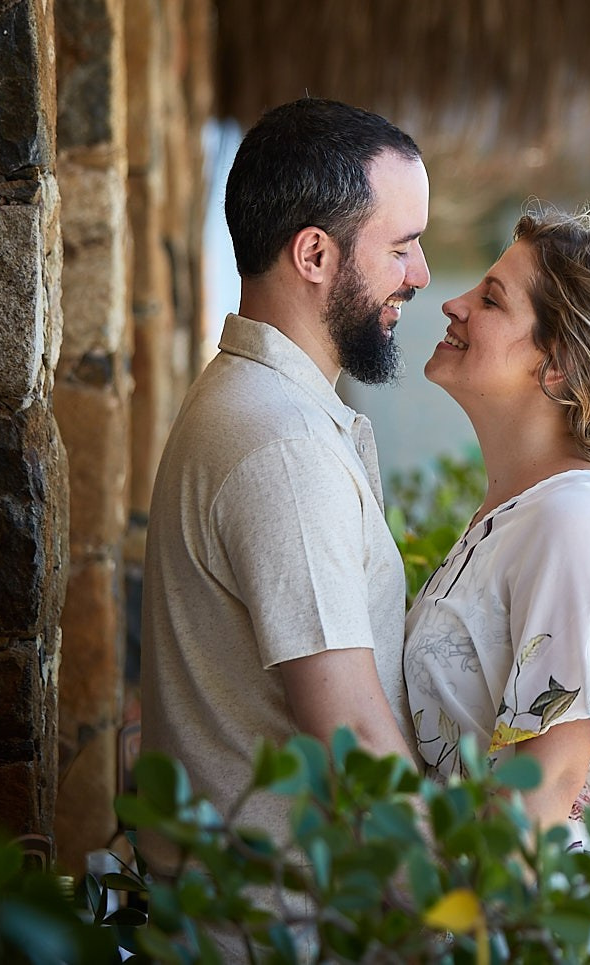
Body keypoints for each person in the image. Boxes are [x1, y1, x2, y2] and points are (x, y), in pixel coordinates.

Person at [141, 98, 428, 861]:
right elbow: (352, 734)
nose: (420, 275)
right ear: (314, 255)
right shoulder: (283, 443)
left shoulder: (251, 403)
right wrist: (465, 905)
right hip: (281, 916)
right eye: (402, 247)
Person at [405, 208, 590, 842]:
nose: (453, 305)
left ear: (558, 362)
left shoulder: (575, 518)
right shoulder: (528, 514)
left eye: (491, 300)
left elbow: (548, 788)